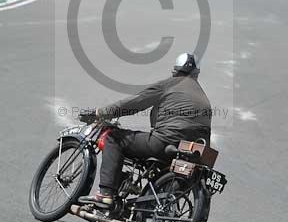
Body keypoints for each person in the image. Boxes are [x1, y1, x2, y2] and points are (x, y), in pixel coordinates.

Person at [78, 53, 212, 209]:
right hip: (193, 151)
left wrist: (100, 112)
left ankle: (105, 194)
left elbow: (135, 103)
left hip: (165, 141)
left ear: (174, 71)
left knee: (114, 138)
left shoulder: (169, 85)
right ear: (197, 74)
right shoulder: (203, 96)